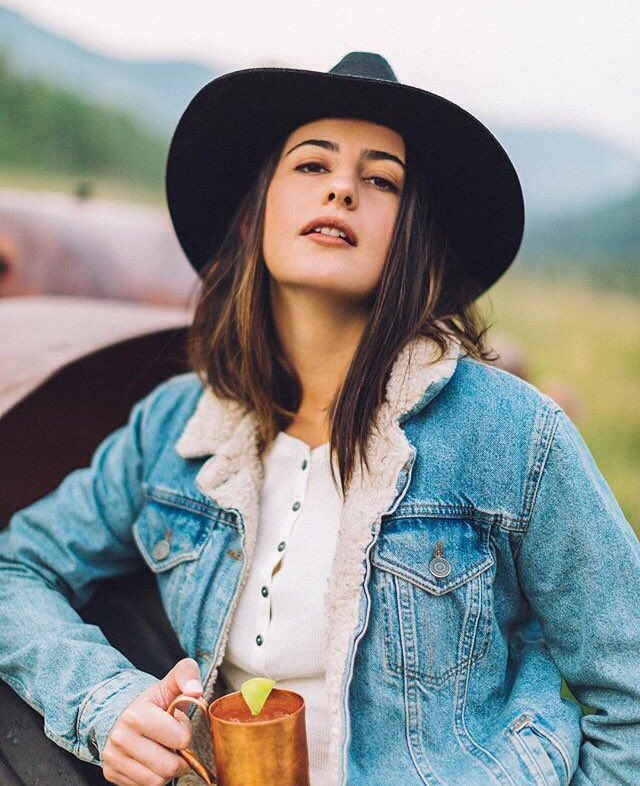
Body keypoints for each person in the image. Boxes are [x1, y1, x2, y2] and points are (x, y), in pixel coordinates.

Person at [0, 51, 638, 786]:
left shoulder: (512, 435)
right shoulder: (174, 427)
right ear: (255, 214)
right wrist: (105, 704)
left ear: (411, 237)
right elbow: (16, 567)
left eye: (380, 179)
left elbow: (629, 690)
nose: (341, 187)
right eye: (311, 166)